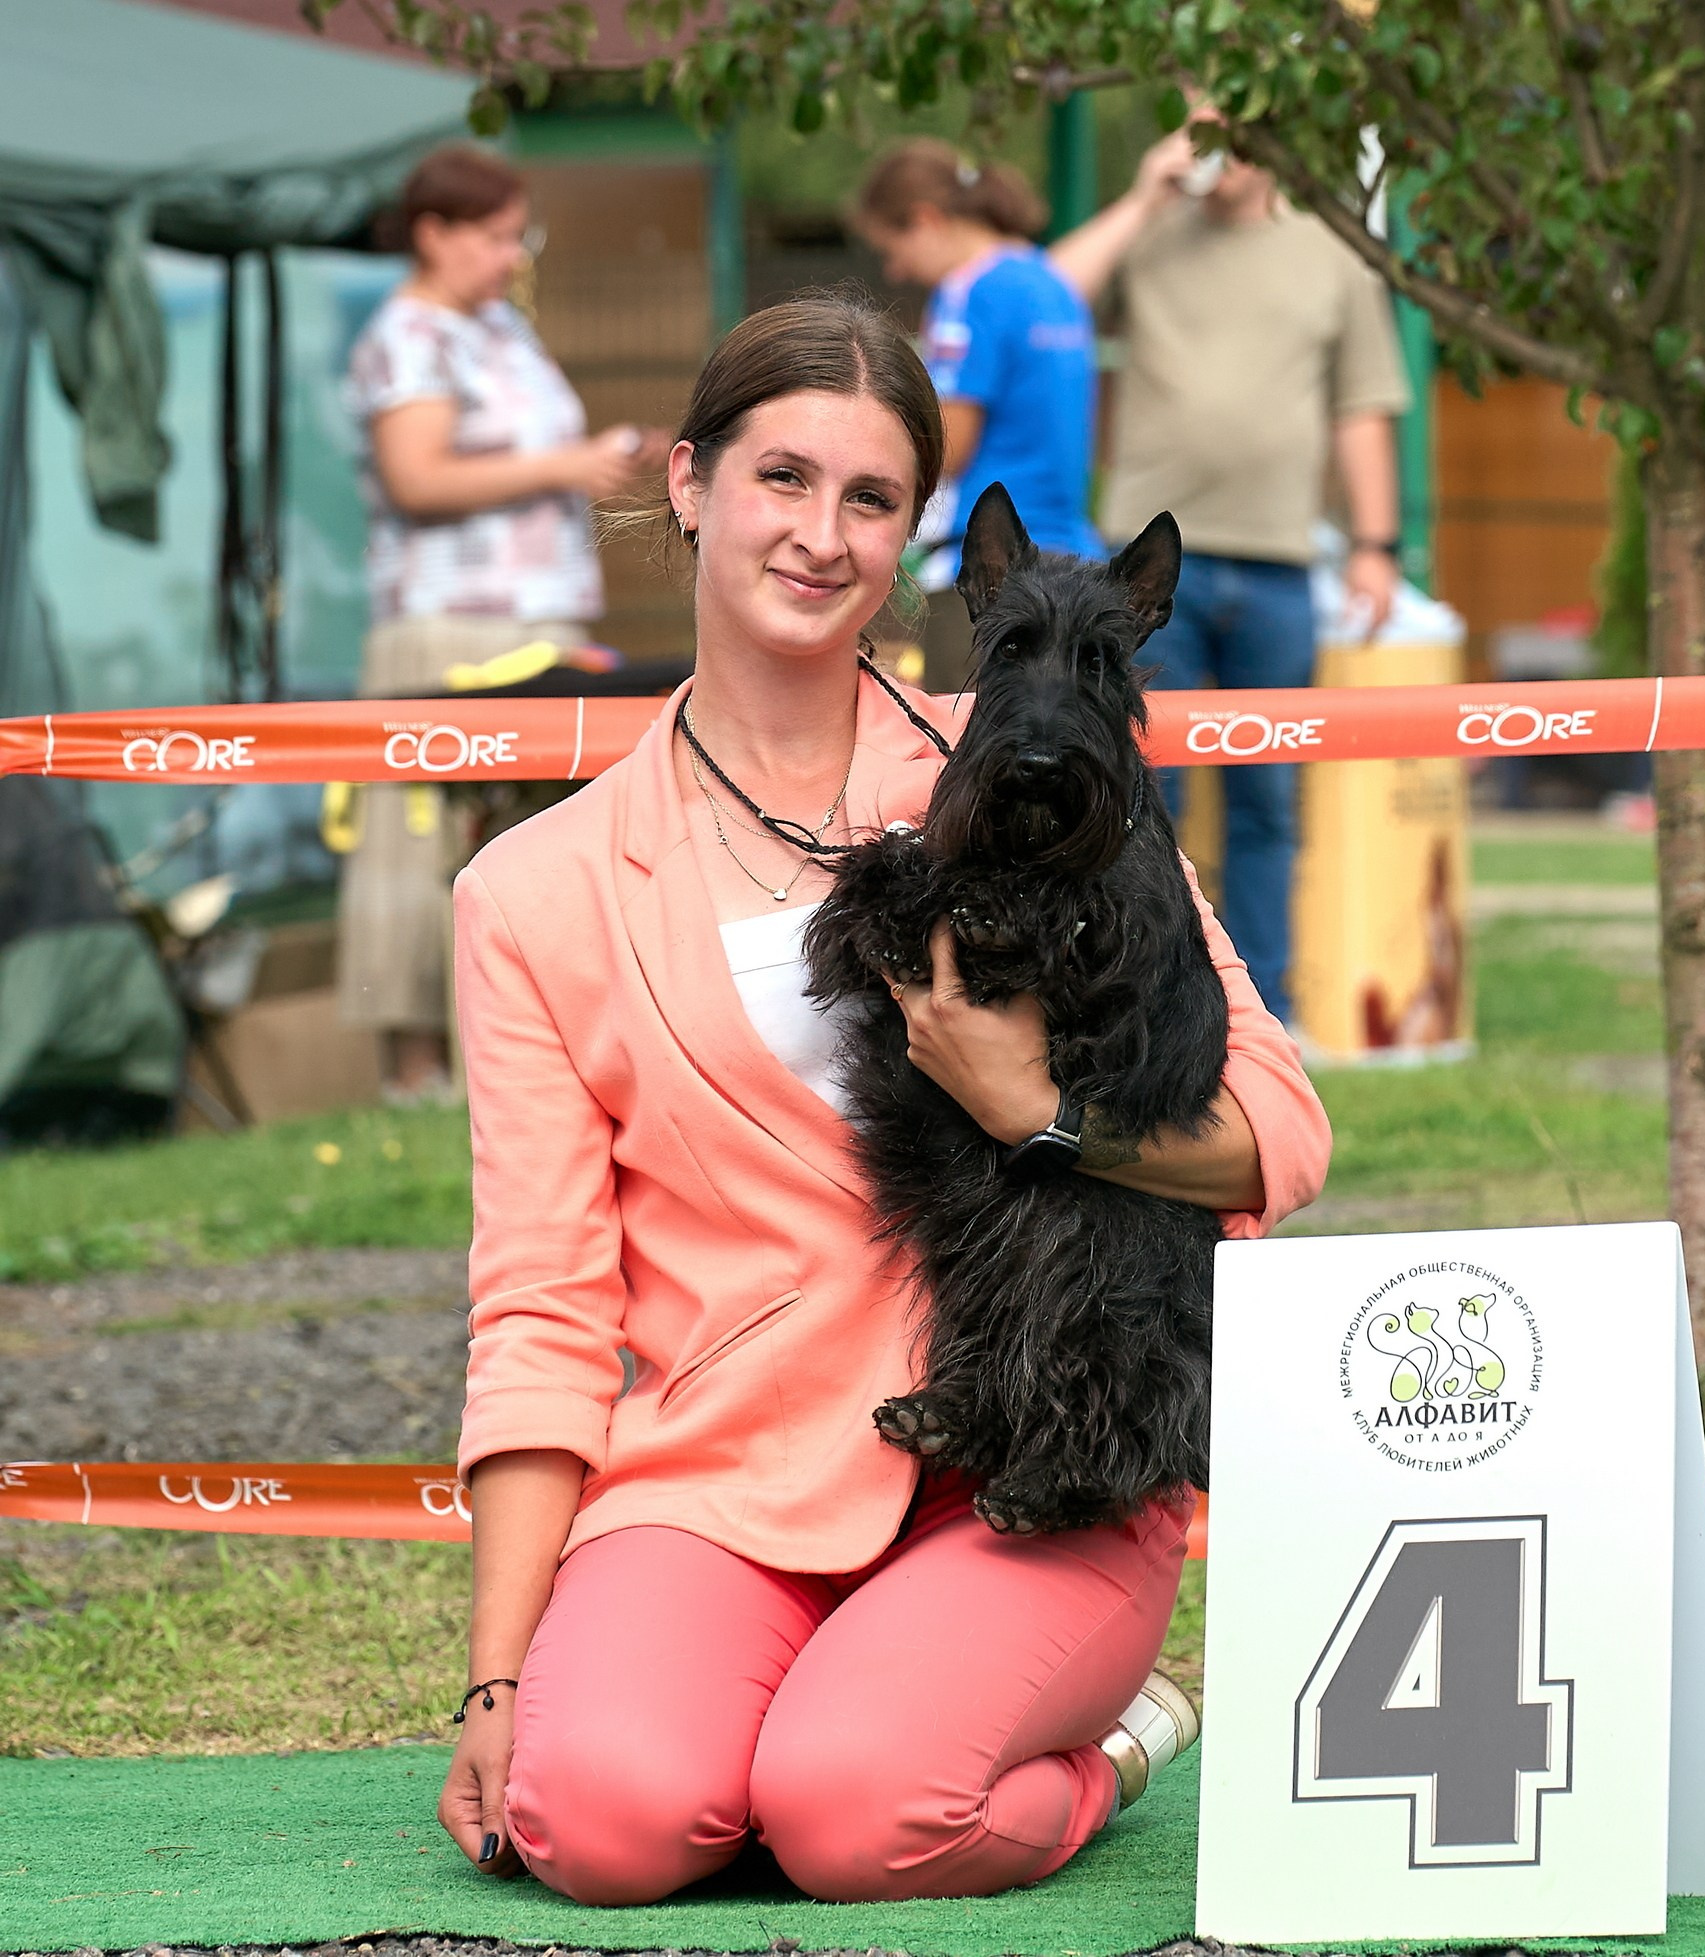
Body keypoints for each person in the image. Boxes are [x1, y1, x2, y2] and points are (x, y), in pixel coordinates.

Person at [439, 291, 1331, 1906]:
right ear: (689, 481)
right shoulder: (536, 892)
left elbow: (1284, 1126)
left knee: (854, 1818)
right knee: (603, 1821)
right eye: (779, 478)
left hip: (1031, 1468)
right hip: (725, 1481)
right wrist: (497, 1679)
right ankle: (784, 1707)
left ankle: (1107, 1737)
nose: (817, 533)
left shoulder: (1043, 785)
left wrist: (1040, 1110)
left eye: (868, 498)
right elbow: (541, 1316)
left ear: (918, 541)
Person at [1051, 122, 1412, 1020]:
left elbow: (1362, 407)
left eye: (1235, 125)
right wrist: (1142, 196)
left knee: (1265, 810)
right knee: (1129, 799)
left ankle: (1262, 1021)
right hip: (1141, 573)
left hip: (1284, 568)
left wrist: (1376, 543)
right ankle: (1139, 1004)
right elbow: (1044, 295)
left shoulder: (1334, 251)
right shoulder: (1152, 231)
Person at [339, 145, 661, 1102]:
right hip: (446, 625)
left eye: (523, 234)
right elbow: (417, 477)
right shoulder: (406, 334)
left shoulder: (503, 331)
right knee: (417, 840)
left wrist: (610, 457)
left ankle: (531, 1056)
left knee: (540, 842)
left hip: (547, 620)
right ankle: (414, 1071)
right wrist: (565, 467)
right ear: (432, 234)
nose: (514, 254)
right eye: (494, 236)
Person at [854, 139, 1100, 689]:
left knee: (964, 755)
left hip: (994, 566)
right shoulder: (1050, 281)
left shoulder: (967, 294)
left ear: (925, 220)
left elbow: (948, 447)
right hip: (1073, 556)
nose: (896, 272)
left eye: (894, 248)